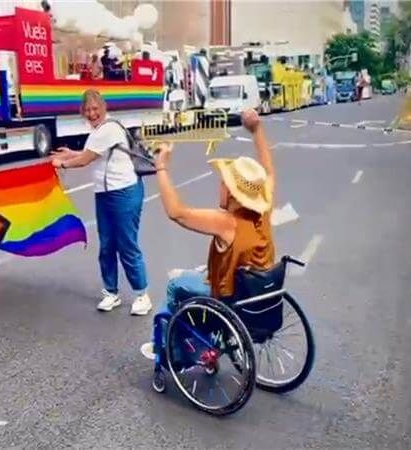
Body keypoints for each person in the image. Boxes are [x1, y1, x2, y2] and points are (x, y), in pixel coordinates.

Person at [140, 109, 276, 357]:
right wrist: (257, 130)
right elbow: (268, 171)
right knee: (201, 272)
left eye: (224, 181)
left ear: (233, 192)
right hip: (256, 288)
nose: (220, 184)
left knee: (175, 285)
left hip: (230, 294)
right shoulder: (263, 205)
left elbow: (176, 212)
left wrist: (161, 169)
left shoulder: (227, 222)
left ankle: (166, 348)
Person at [50, 89, 152, 315]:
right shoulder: (98, 132)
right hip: (105, 195)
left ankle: (142, 294)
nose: (91, 113)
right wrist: (70, 153)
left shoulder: (108, 129)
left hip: (124, 193)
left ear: (104, 108)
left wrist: (62, 163)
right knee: (107, 245)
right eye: (87, 110)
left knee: (127, 245)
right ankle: (111, 292)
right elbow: (92, 152)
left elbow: (86, 159)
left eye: (95, 109)